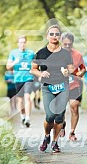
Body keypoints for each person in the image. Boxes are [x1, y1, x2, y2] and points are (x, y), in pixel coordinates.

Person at [31, 25, 74, 153]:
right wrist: (40, 74)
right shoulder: (41, 53)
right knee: (50, 116)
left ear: (60, 36)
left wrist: (67, 72)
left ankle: (55, 142)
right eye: (51, 34)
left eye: (56, 34)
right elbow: (33, 69)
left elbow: (71, 68)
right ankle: (46, 136)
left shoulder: (65, 53)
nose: (54, 36)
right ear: (47, 36)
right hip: (47, 87)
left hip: (63, 87)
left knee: (59, 117)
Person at [60, 32, 86, 141]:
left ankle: (72, 132)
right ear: (61, 42)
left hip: (74, 85)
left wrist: (81, 73)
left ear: (72, 43)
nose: (67, 46)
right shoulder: (56, 54)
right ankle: (62, 125)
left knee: (74, 106)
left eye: (69, 44)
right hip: (60, 86)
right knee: (60, 110)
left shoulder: (78, 55)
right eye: (65, 44)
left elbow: (83, 68)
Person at [6, 35, 35, 127]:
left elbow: (36, 64)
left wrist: (34, 69)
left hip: (28, 78)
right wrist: (15, 62)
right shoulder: (13, 53)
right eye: (20, 42)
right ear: (18, 43)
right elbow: (8, 66)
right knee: (20, 101)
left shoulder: (31, 53)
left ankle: (28, 118)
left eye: (24, 42)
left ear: (26, 43)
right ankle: (22, 116)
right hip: (18, 79)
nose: (22, 44)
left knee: (27, 97)